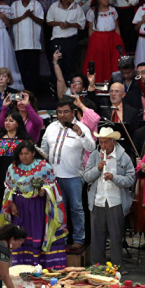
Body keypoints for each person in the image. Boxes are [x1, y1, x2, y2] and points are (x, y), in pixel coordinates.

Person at [0, 140, 68, 269]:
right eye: (21, 153)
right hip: (19, 207)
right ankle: (20, 265)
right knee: (19, 233)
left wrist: (43, 192)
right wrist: (12, 204)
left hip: (37, 206)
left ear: (33, 153)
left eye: (26, 153)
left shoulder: (44, 167)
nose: (23, 156)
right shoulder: (13, 167)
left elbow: (53, 187)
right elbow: (8, 189)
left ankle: (40, 264)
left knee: (37, 232)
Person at [41, 96, 96, 249]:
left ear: (73, 112)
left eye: (66, 112)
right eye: (59, 112)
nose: (62, 115)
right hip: (54, 177)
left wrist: (82, 134)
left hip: (74, 177)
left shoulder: (82, 127)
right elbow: (44, 150)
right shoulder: (51, 127)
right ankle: (61, 240)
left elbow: (91, 148)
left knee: (76, 209)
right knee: (58, 209)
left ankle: (79, 239)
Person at [84, 127, 136, 268]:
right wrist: (97, 169)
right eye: (101, 142)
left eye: (106, 142)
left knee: (116, 237)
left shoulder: (123, 157)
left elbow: (131, 179)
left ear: (113, 141)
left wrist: (115, 178)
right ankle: (97, 266)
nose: (103, 146)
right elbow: (86, 176)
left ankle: (116, 267)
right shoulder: (95, 155)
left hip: (116, 201)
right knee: (97, 237)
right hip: (98, 201)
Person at [10, 0, 45, 93]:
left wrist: (31, 16)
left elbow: (41, 21)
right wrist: (23, 16)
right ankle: (22, 91)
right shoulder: (14, 5)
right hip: (19, 44)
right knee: (22, 69)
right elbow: (11, 21)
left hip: (33, 44)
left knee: (33, 70)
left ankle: (33, 92)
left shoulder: (36, 4)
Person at [83, 0, 124, 82]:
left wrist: (119, 40)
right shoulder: (92, 12)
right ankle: (99, 85)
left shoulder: (112, 10)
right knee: (100, 63)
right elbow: (90, 28)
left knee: (113, 61)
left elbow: (116, 26)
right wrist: (92, 43)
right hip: (98, 40)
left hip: (113, 38)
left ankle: (113, 84)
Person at [47, 0, 87, 80]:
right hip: (57, 40)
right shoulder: (54, 6)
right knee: (58, 65)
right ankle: (58, 90)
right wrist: (58, 23)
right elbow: (48, 21)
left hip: (71, 40)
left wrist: (70, 25)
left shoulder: (77, 7)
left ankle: (70, 89)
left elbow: (82, 24)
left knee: (71, 65)